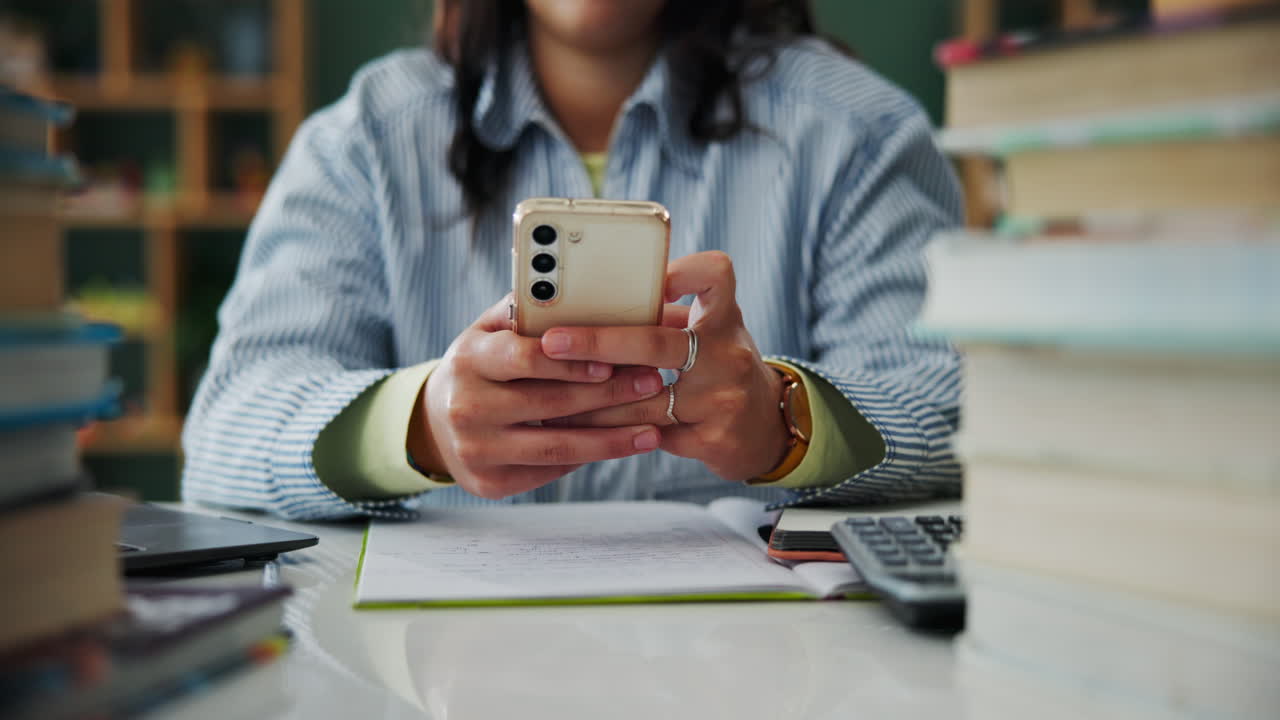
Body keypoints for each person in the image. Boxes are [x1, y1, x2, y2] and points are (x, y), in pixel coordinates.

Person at [181, 0, 964, 520]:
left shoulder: (858, 133)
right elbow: (225, 434)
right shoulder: (365, 143)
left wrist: (783, 419)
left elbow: (964, 414)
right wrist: (420, 425)